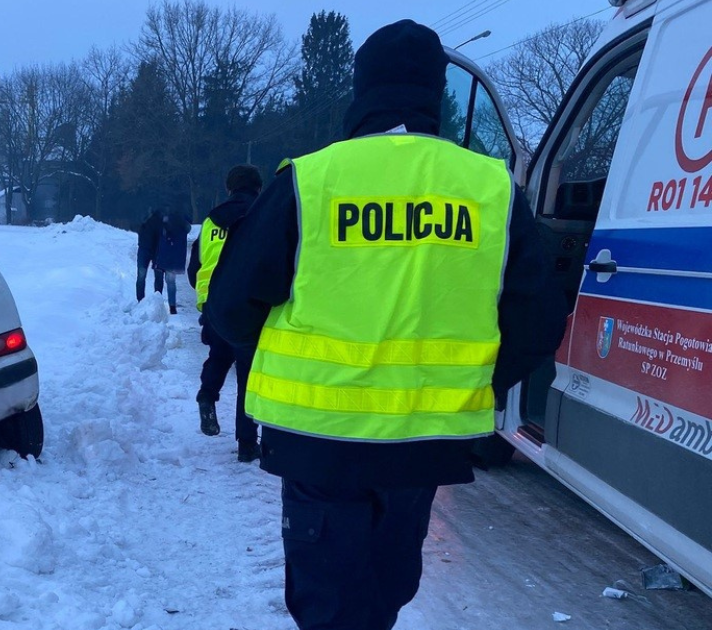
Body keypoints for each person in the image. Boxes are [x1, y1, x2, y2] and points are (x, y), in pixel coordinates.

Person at [205, 20, 567, 630]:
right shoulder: (490, 189)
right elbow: (538, 322)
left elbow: (230, 306)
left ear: (362, 90)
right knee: (381, 598)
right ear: (437, 92)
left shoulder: (311, 180)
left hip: (320, 445)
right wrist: (468, 384)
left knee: (328, 605)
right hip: (421, 449)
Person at [187, 164, 263, 461]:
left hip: (214, 305)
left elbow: (195, 268)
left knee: (219, 354)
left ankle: (207, 395)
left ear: (229, 188)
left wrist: (207, 296)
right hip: (250, 305)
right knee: (247, 375)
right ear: (258, 187)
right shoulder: (262, 214)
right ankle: (247, 444)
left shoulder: (210, 221)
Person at [155, 207, 191, 314]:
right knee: (171, 282)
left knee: (159, 280)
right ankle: (172, 306)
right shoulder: (183, 224)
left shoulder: (164, 222)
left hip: (162, 254)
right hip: (175, 258)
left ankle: (157, 305)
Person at [136, 207, 165, 301]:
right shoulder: (145, 215)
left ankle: (152, 300)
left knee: (145, 276)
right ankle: (145, 300)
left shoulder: (158, 216)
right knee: (146, 276)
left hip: (151, 249)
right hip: (149, 249)